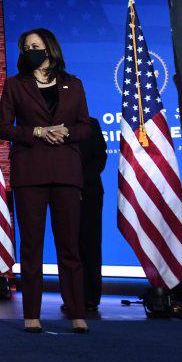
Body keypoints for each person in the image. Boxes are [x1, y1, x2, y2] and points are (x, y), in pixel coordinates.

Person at [0, 27, 91, 334]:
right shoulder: (15, 85)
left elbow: (85, 128)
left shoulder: (72, 84)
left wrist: (65, 132)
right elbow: (2, 128)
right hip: (30, 174)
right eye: (25, 47)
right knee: (32, 247)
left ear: (49, 48)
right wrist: (36, 132)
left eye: (35, 45)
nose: (29, 51)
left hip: (65, 172)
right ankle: (31, 314)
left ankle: (77, 312)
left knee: (70, 247)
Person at [77, 116, 107, 311]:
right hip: (64, 192)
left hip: (89, 191)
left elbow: (100, 157)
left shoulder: (91, 124)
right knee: (69, 246)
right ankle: (72, 296)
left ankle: (91, 296)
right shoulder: (56, 124)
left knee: (91, 244)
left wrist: (80, 180)